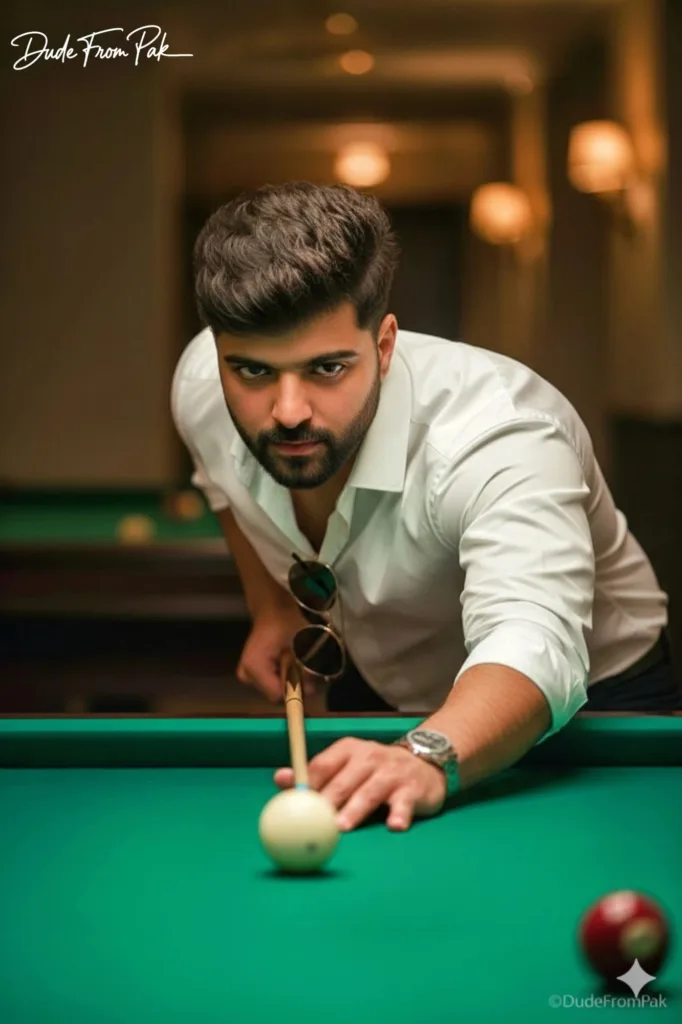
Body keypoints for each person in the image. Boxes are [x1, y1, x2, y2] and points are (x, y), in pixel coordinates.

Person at [171, 181, 680, 833]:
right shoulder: (201, 385)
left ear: (384, 346)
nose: (288, 410)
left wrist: (428, 752)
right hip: (387, 679)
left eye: (327, 369)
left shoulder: (503, 432)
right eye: (253, 372)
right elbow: (221, 480)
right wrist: (269, 606)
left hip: (591, 708)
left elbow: (533, 637)